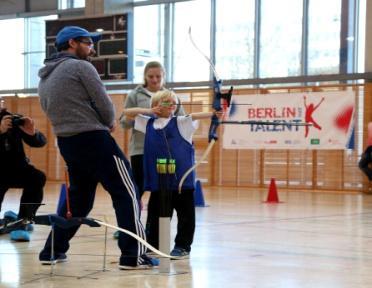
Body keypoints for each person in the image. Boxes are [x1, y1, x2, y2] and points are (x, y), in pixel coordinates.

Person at [37, 25, 158, 270]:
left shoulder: (45, 76)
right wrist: (109, 121)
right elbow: (104, 103)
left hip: (68, 142)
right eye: (88, 42)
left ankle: (52, 250)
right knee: (128, 192)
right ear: (72, 43)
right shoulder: (81, 67)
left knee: (78, 201)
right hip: (94, 139)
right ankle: (133, 256)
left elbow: (47, 108)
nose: (92, 48)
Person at [122, 89, 220, 259]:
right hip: (160, 179)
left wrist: (215, 113)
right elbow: (126, 113)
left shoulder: (181, 122)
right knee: (157, 213)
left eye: (174, 102)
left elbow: (197, 115)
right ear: (155, 106)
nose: (172, 105)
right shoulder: (148, 123)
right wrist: (148, 111)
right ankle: (154, 245)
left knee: (185, 216)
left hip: (182, 180)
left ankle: (182, 246)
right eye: (167, 102)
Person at [119, 61, 185, 239]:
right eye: (150, 77)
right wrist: (148, 114)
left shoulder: (171, 95)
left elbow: (182, 119)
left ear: (163, 75)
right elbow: (124, 121)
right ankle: (128, 225)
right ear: (145, 77)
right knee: (137, 189)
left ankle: (151, 231)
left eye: (158, 76)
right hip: (141, 150)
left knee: (159, 192)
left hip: (165, 151)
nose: (155, 80)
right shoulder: (135, 94)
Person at [0, 108, 46, 242]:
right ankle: (12, 218)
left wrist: (32, 134)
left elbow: (41, 142)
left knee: (37, 177)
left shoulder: (12, 119)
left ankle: (24, 219)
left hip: (18, 168)